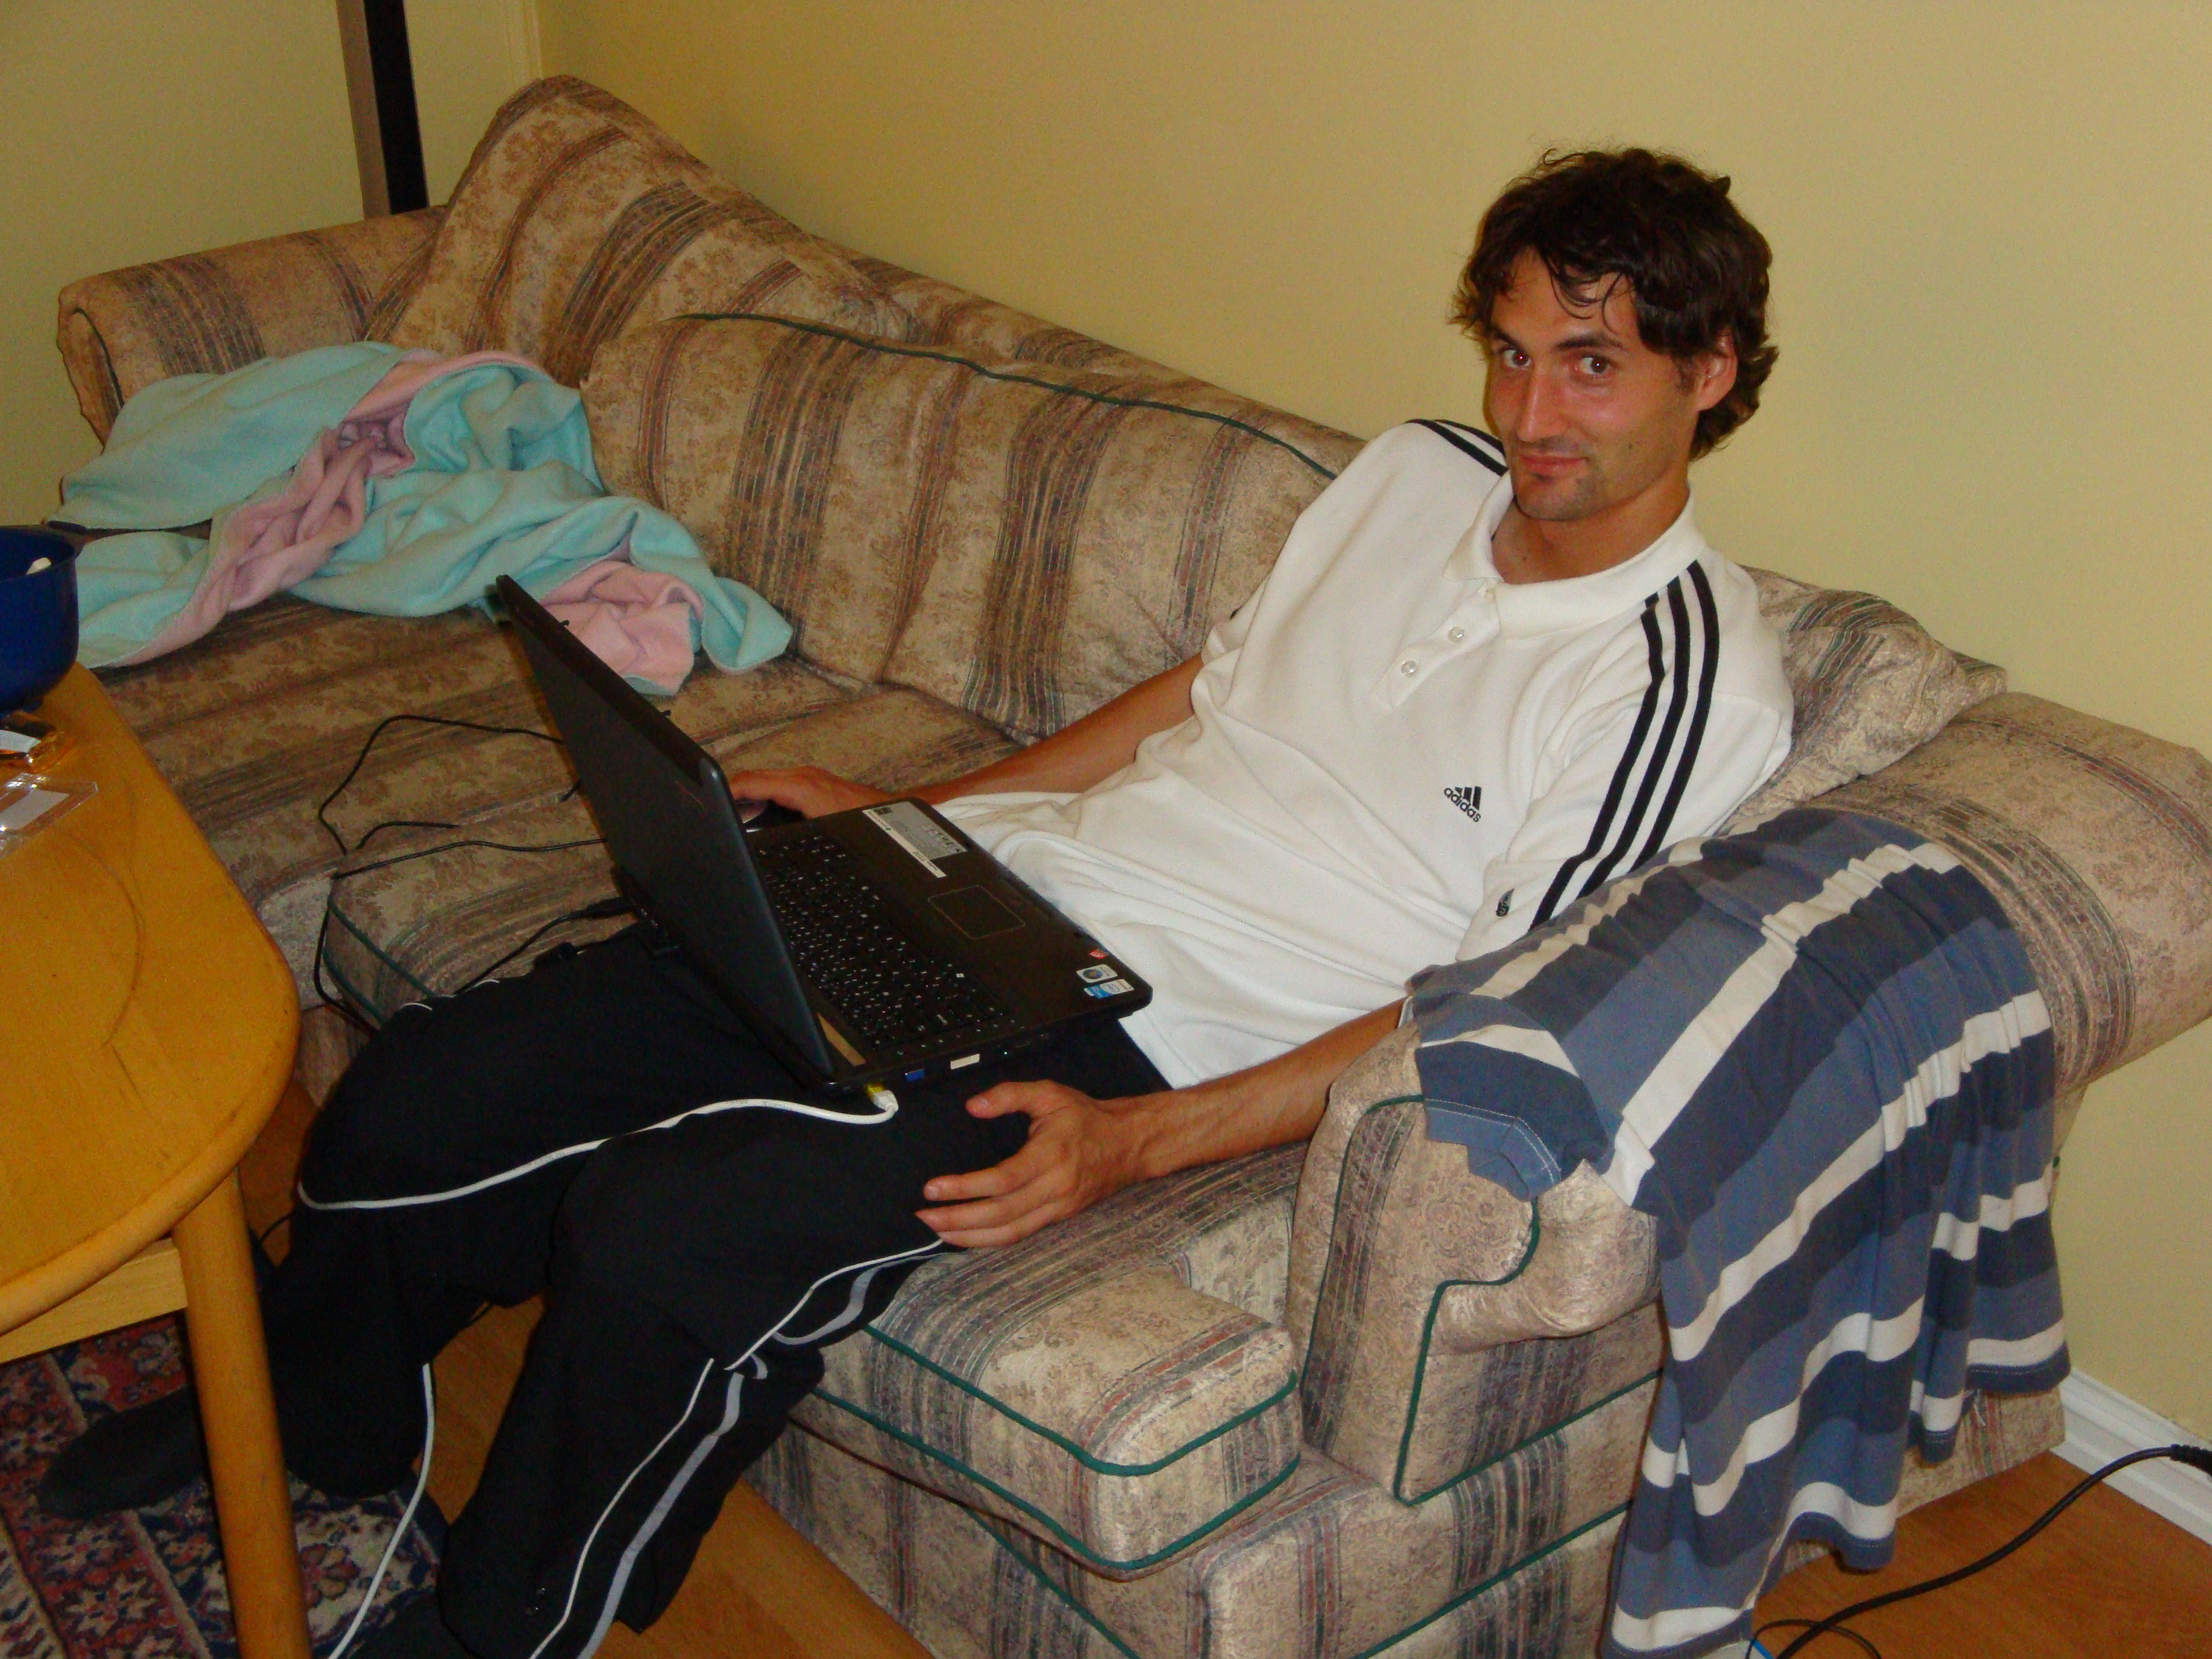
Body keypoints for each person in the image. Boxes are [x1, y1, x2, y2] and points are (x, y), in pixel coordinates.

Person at [41, 147, 1794, 1659]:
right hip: (1000, 896)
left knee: (667, 1234)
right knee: (432, 1087)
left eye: (1592, 367)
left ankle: (503, 1624)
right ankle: (315, 1419)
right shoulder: (1418, 473)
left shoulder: (1680, 677)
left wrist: (1141, 1145)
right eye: (1514, 352)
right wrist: (927, 815)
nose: (1531, 412)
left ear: (1709, 373)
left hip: (1148, 1037)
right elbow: (1211, 686)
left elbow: (1486, 1020)